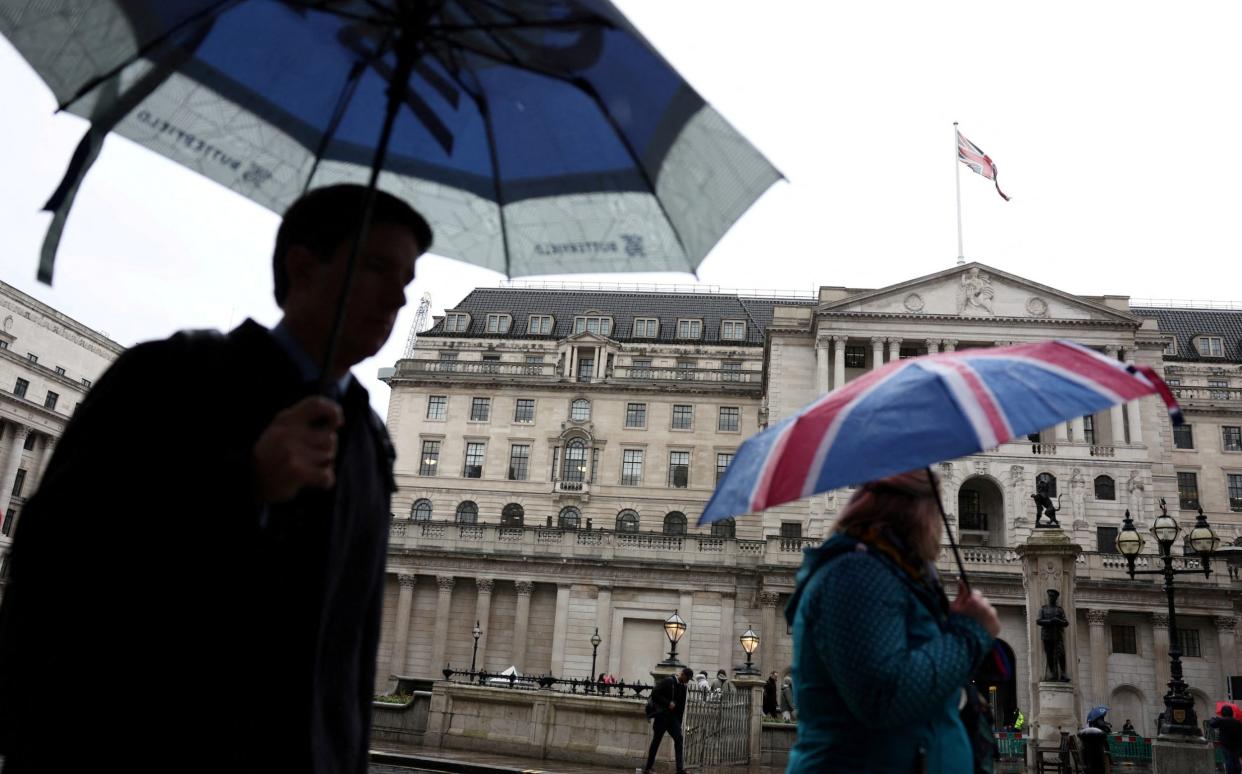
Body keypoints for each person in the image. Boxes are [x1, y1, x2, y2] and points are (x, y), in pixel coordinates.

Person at [0, 184, 430, 774]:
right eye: (377, 267)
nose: (396, 299)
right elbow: (53, 557)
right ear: (301, 266)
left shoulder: (369, 443)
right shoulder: (168, 378)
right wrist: (244, 484)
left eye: (406, 280)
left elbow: (348, 658)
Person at [784, 470, 1000, 772]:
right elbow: (882, 695)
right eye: (939, 510)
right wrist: (969, 632)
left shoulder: (888, 572)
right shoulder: (858, 572)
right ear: (921, 513)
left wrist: (949, 626)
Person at [644, 666, 692, 774]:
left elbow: (681, 707)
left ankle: (679, 769)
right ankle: (648, 768)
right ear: (682, 674)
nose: (687, 681)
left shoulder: (683, 687)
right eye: (687, 678)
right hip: (662, 716)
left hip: (673, 718)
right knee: (656, 741)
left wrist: (678, 723)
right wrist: (667, 703)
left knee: (679, 739)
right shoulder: (668, 681)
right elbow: (655, 693)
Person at [1210, 705, 1242, 774]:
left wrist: (1213, 718)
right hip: (1236, 745)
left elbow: (1212, 724)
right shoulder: (1237, 722)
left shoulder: (1221, 720)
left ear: (1223, 713)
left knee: (1229, 760)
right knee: (1236, 760)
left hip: (1225, 744)